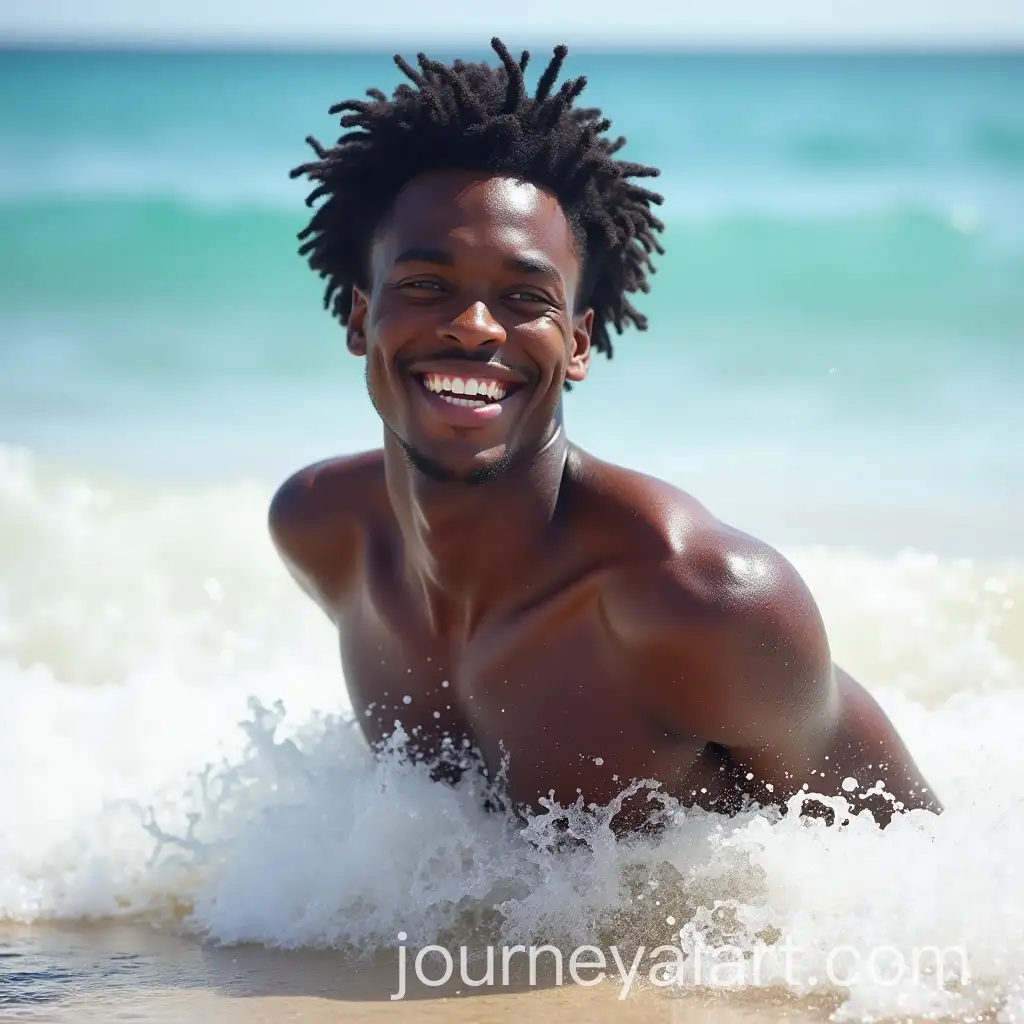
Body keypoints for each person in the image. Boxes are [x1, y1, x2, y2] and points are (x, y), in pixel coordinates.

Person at [270, 39, 939, 830]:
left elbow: (918, 862)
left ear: (578, 344)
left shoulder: (700, 600)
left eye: (525, 297)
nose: (475, 327)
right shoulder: (325, 531)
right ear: (359, 317)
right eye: (426, 285)